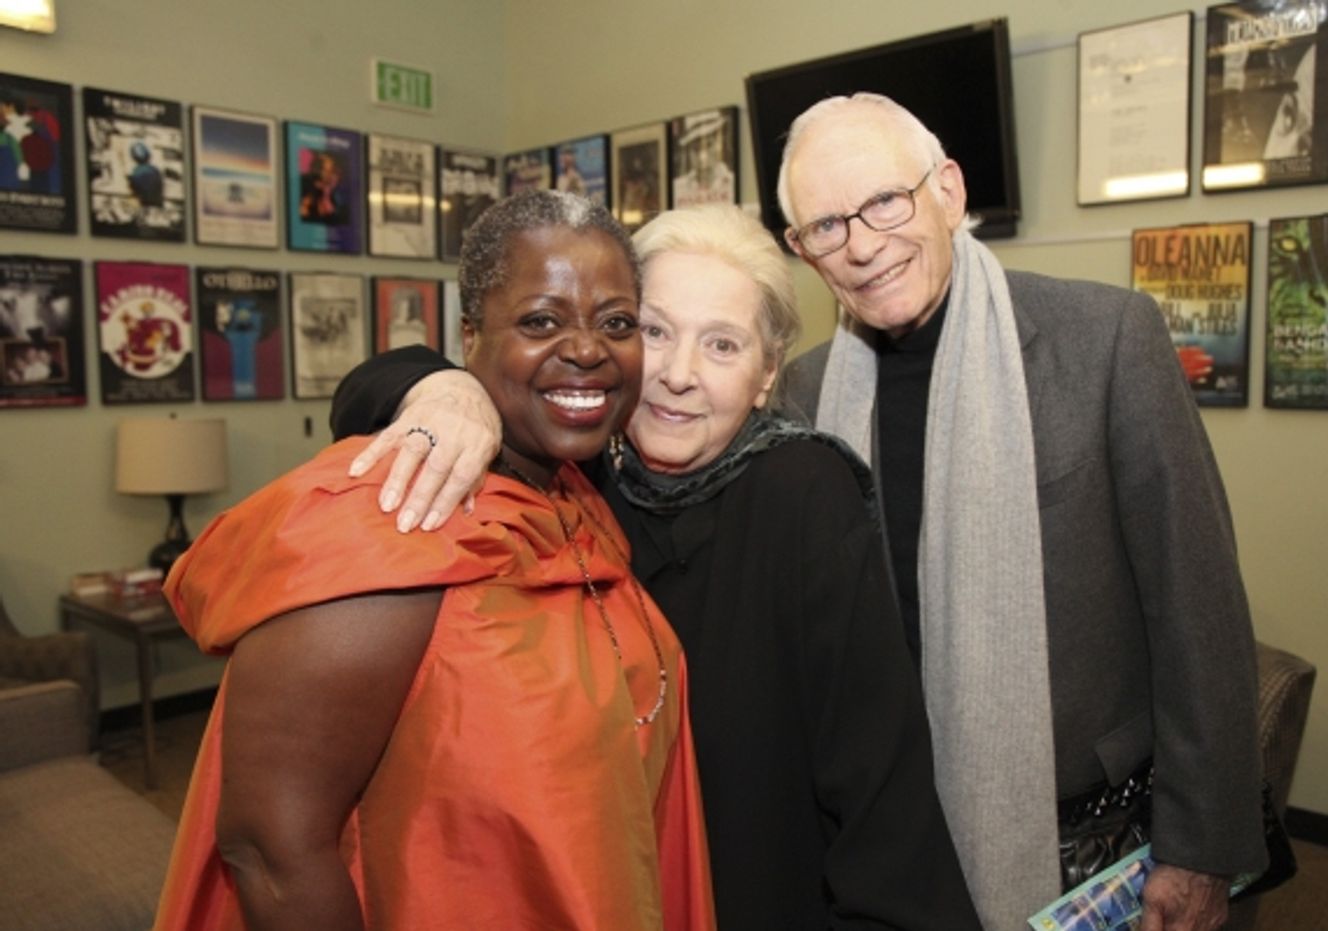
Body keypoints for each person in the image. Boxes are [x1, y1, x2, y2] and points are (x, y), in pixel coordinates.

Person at [341, 93, 1268, 931]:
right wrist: (440, 387)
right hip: (851, 815)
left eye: (885, 203)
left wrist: (1203, 843)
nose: (861, 242)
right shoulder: (812, 396)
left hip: (1080, 824)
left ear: (947, 189)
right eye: (826, 223)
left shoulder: (1104, 340)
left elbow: (1199, 608)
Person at [331, 205, 982, 930]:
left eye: (723, 345)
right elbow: (366, 388)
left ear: (768, 374)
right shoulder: (576, 469)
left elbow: (879, 792)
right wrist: (446, 390)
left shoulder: (803, 494)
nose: (678, 375)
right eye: (653, 331)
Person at [153, 190, 715, 931]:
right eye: (541, 320)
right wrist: (437, 384)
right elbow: (270, 846)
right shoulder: (394, 516)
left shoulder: (577, 496)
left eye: (616, 323)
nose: (586, 348)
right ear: (471, 333)